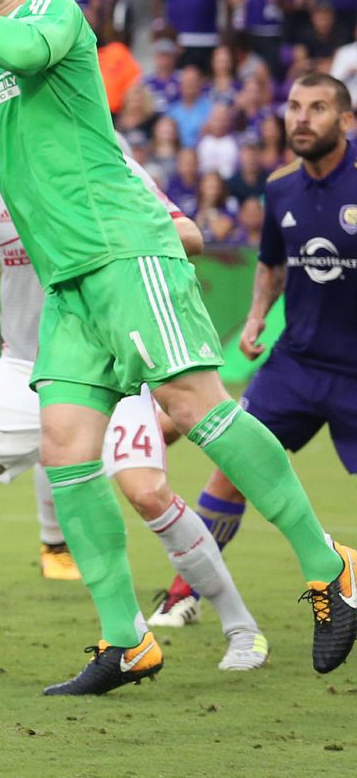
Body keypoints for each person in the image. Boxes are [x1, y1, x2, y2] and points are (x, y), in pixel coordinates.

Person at [0, 0, 355, 694]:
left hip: (125, 250)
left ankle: (330, 568)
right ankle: (126, 640)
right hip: (68, 281)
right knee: (67, 450)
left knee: (195, 402)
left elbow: (17, 54)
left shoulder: (56, 14)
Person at [0, 159, 268, 671]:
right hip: (22, 367)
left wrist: (121, 241)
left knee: (148, 492)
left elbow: (190, 235)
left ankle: (242, 628)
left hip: (106, 368)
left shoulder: (100, 156)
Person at [152, 74, 357, 625]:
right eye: (293, 107)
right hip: (296, 362)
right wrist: (256, 317)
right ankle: (186, 591)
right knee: (233, 469)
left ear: (347, 121)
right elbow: (271, 263)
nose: (302, 118)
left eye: (317, 108)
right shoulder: (282, 186)